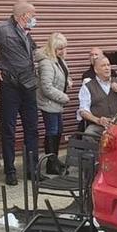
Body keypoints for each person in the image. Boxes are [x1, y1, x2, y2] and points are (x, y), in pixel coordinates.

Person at [0, 0, 39, 186]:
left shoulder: (26, 32)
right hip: (10, 85)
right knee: (8, 129)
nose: (35, 19)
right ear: (23, 16)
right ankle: (10, 171)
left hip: (28, 84)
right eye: (33, 15)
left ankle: (32, 170)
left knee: (32, 128)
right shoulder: (3, 29)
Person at [36, 32, 71, 174]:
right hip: (49, 103)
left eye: (64, 48)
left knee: (58, 131)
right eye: (59, 49)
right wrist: (64, 97)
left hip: (56, 102)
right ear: (52, 48)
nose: (63, 51)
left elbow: (61, 74)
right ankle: (51, 164)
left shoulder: (59, 59)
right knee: (52, 132)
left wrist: (67, 81)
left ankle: (55, 160)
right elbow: (46, 87)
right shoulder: (46, 62)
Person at [77, 57, 117, 138]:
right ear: (96, 70)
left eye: (108, 65)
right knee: (89, 133)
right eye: (103, 66)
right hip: (99, 126)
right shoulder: (87, 87)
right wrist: (98, 120)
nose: (107, 68)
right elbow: (83, 111)